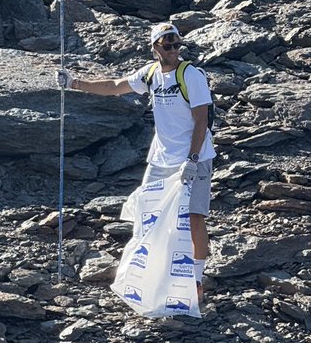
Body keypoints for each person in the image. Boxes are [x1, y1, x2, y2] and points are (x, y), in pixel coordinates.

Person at [57, 22, 217, 303]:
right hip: (160, 160)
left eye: (176, 44)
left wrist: (192, 160)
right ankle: (154, 274)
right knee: (149, 215)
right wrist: (74, 84)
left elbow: (201, 119)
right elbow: (116, 86)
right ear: (155, 46)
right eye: (167, 44)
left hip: (194, 158)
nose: (173, 49)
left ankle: (195, 279)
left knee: (194, 218)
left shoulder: (191, 75)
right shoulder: (151, 74)